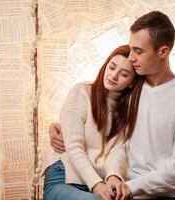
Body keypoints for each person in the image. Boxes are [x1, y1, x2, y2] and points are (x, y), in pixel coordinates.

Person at [49, 11, 175, 200]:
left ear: (163, 52)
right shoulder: (131, 91)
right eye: (131, 49)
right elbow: (114, 137)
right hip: (126, 188)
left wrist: (128, 186)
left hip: (173, 193)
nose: (131, 57)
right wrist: (57, 127)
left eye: (138, 51)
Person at [42, 45, 144, 200]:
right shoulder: (81, 93)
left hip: (99, 181)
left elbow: (117, 150)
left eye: (123, 74)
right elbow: (74, 147)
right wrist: (96, 184)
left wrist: (113, 176)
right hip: (64, 178)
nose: (113, 76)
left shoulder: (128, 111)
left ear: (132, 83)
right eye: (111, 67)